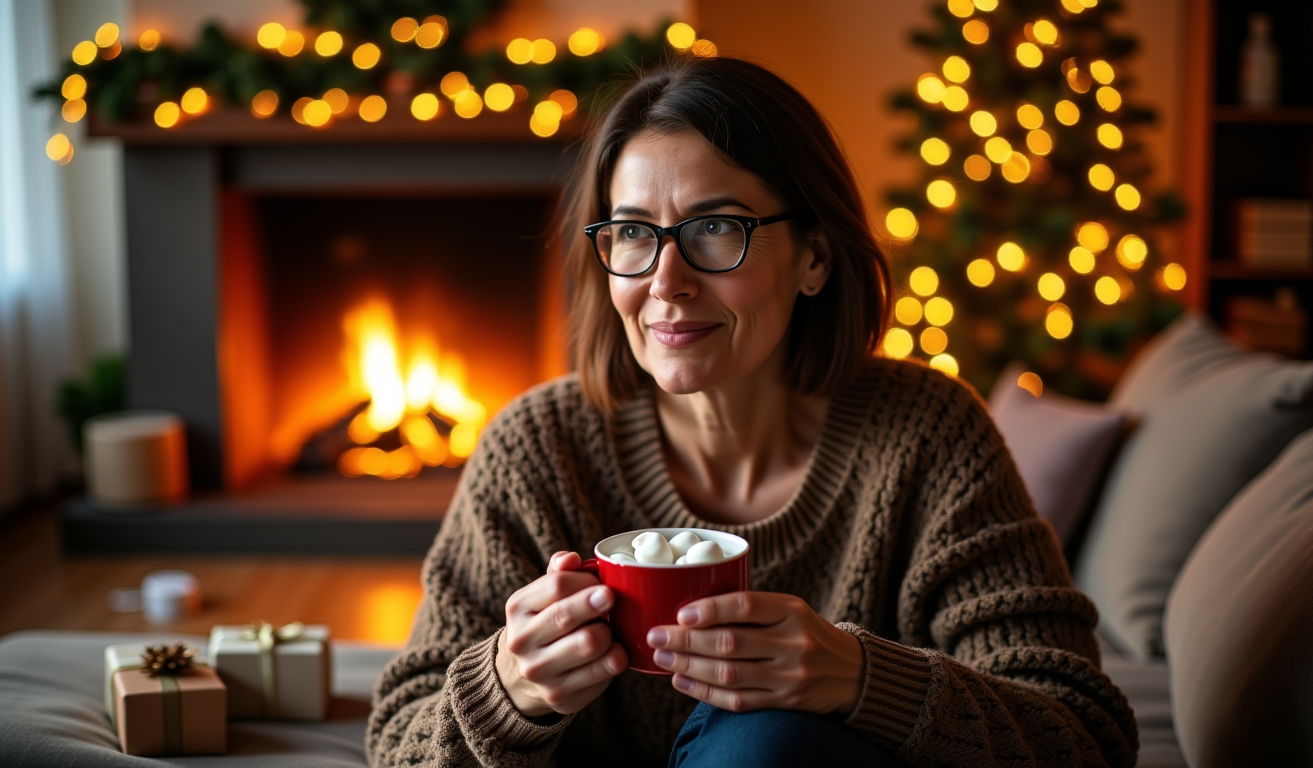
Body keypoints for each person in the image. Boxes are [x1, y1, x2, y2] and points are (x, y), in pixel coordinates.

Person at [367, 56, 1138, 768]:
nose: (665, 281)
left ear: (814, 257)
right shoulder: (538, 449)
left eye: (715, 228)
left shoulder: (926, 436)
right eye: (633, 233)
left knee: (770, 741)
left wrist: (862, 679)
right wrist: (509, 691)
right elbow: (400, 739)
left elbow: (1081, 733)